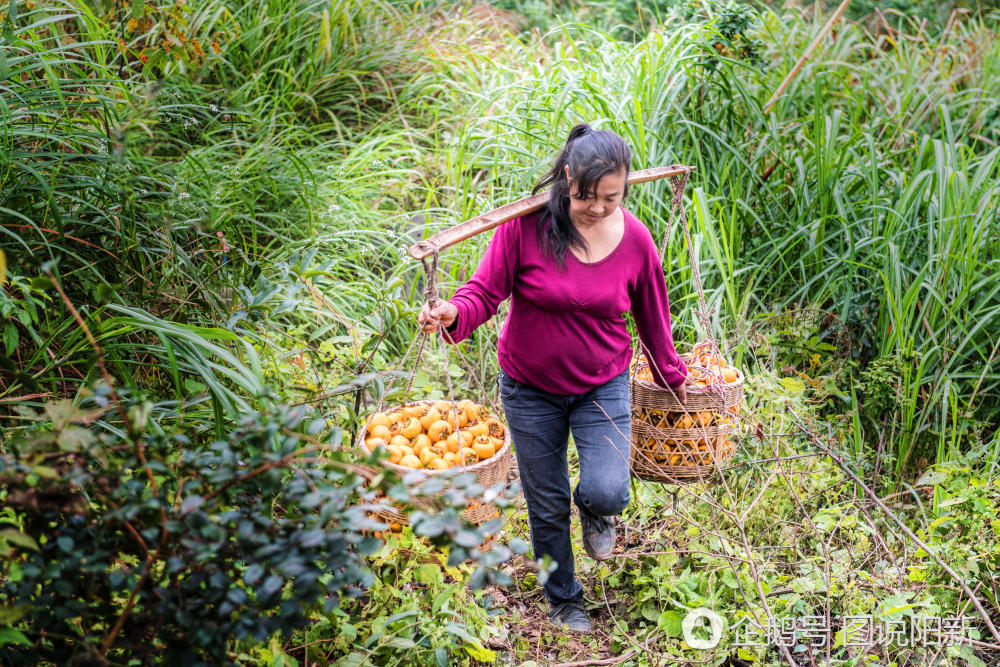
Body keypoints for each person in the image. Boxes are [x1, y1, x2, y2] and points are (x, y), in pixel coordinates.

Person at [418, 124, 689, 632]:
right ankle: (564, 599)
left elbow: (654, 318)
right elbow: (483, 292)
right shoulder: (524, 227)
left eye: (613, 198)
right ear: (567, 178)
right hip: (529, 389)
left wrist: (674, 377)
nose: (600, 209)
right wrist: (453, 312)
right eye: (589, 197)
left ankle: (594, 510)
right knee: (546, 503)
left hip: (601, 385)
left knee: (609, 490)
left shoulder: (635, 240)